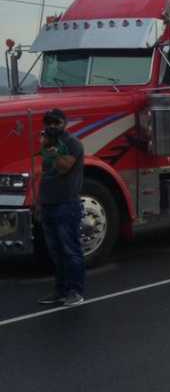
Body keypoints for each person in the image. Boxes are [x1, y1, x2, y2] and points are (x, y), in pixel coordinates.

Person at [36, 109, 86, 307]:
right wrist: (39, 203)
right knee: (55, 251)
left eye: (56, 123)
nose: (51, 126)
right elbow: (46, 176)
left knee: (70, 250)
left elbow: (64, 167)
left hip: (66, 203)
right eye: (48, 123)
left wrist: (51, 149)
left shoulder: (72, 143)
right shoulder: (49, 146)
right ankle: (60, 290)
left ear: (64, 123)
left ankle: (75, 291)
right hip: (49, 203)